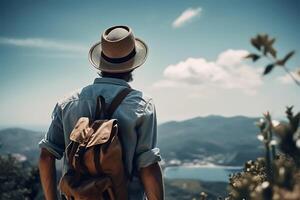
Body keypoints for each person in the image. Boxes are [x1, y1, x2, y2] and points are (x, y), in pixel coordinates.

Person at [38, 25, 164, 200]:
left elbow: (46, 156)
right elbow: (148, 167)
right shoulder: (142, 104)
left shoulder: (67, 103)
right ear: (133, 64)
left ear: (101, 62)